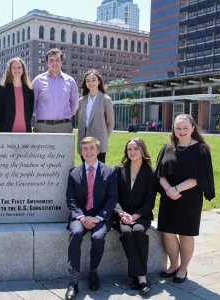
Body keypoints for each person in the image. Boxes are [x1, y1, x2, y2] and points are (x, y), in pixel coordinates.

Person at [155, 114, 215, 283]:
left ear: (193, 128)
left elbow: (200, 177)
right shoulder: (167, 147)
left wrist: (176, 189)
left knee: (186, 234)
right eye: (177, 128)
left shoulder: (201, 149)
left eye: (185, 128)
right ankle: (174, 265)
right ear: (173, 128)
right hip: (169, 197)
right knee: (168, 232)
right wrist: (168, 189)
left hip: (190, 197)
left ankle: (183, 268)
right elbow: (160, 172)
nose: (181, 132)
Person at [65, 137, 117, 300]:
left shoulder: (110, 171)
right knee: (75, 235)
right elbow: (71, 199)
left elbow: (112, 199)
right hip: (80, 216)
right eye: (85, 148)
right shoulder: (74, 172)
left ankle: (93, 272)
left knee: (98, 237)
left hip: (101, 216)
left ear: (98, 151)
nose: (88, 151)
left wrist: (98, 218)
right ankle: (73, 281)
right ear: (81, 152)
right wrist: (81, 217)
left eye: (92, 148)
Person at [113, 138, 155, 295]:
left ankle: (137, 277)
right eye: (129, 149)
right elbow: (113, 197)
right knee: (126, 233)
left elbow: (150, 202)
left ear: (142, 150)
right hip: (121, 215)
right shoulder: (119, 169)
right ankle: (142, 279)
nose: (132, 152)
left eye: (136, 148)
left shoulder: (150, 172)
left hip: (141, 215)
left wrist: (135, 216)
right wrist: (121, 213)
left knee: (138, 231)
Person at [32, 48, 79, 133]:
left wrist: (65, 116)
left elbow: (75, 104)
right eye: (51, 60)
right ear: (47, 63)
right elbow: (32, 104)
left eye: (57, 60)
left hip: (64, 126)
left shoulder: (70, 81)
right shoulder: (38, 81)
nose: (54, 63)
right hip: (42, 126)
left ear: (61, 62)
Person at [77, 70, 114, 163]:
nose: (90, 83)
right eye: (88, 80)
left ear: (99, 81)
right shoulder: (81, 100)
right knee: (85, 172)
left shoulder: (106, 99)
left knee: (98, 173)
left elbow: (110, 123)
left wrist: (103, 136)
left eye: (93, 80)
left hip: (99, 144)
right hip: (84, 142)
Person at [0, 57, 34, 132]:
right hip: (7, 130)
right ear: (10, 70)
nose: (17, 70)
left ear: (23, 69)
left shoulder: (29, 90)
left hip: (25, 130)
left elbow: (30, 112)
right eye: (14, 67)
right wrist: (2, 127)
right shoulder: (3, 89)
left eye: (19, 67)